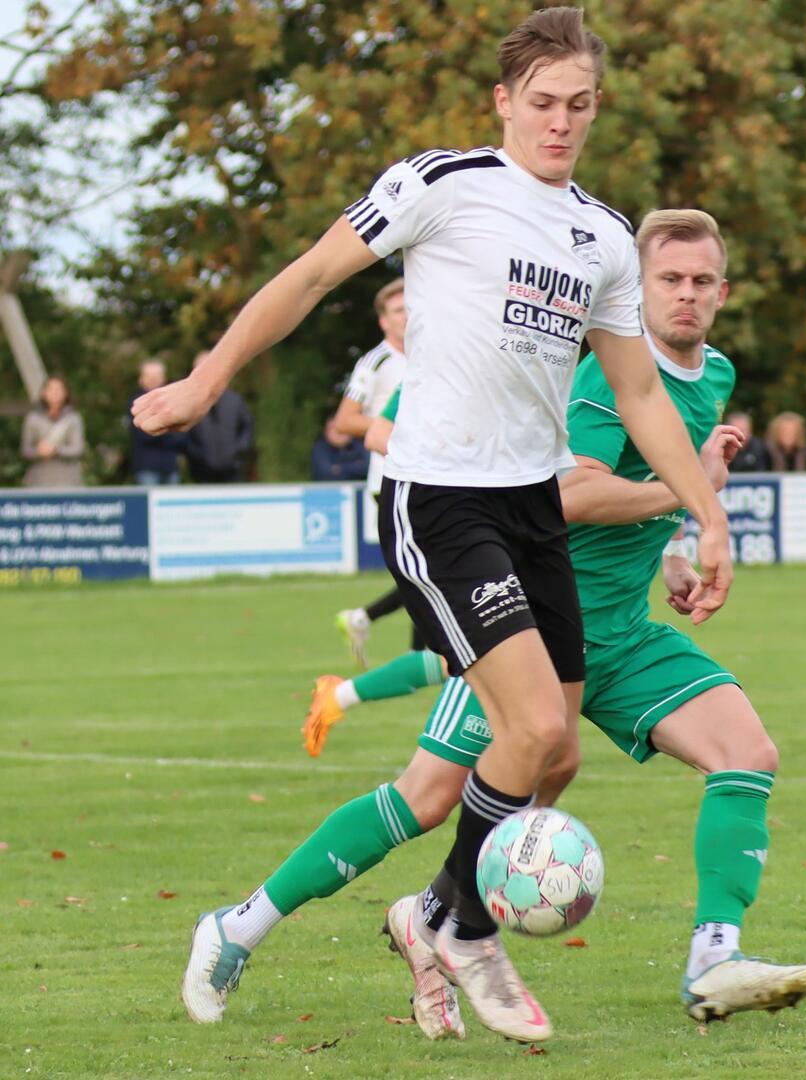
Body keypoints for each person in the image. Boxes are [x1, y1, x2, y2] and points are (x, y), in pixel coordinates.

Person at [153, 8, 733, 1043]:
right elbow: (309, 277)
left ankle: (387, 918)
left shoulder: (601, 237)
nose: (561, 123)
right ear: (505, 101)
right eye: (544, 103)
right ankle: (460, 926)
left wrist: (709, 517)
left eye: (581, 106)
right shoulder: (441, 184)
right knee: (538, 731)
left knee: (550, 761)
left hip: (530, 509)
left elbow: (641, 395)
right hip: (441, 500)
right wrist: (209, 374)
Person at [185, 209, 806, 1038]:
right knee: (427, 798)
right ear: (637, 283)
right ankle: (239, 926)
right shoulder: (608, 375)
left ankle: (713, 957)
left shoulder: (715, 374)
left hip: (623, 634)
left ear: (724, 291)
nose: (687, 295)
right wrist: (689, 496)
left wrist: (670, 553)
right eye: (669, 279)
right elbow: (572, 492)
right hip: (525, 628)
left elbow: (639, 494)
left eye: (703, 281)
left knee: (746, 755)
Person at [330, 279, 416, 667]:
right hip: (391, 478)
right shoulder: (377, 362)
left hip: (431, 474)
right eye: (398, 310)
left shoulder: (431, 352)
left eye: (410, 307)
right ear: (384, 322)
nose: (407, 316)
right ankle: (426, 659)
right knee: (429, 569)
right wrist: (399, 431)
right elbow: (345, 420)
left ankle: (421, 656)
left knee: (428, 571)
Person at [182, 352, 255, 483]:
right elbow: (184, 434)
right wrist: (197, 455)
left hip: (232, 471)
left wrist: (238, 453)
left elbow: (247, 427)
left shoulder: (234, 400)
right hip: (201, 472)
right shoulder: (189, 403)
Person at [127, 361, 190, 485]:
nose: (153, 380)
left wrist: (162, 429)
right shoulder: (136, 403)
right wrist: (169, 429)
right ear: (141, 379)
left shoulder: (172, 402)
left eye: (157, 376)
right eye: (150, 377)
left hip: (170, 466)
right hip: (147, 467)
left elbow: (181, 433)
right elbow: (144, 433)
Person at [21, 375, 85, 487]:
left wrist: (56, 450)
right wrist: (39, 451)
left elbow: (78, 449)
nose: (55, 393)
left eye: (59, 389)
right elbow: (25, 450)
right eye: (51, 389)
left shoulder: (73, 418)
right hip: (39, 481)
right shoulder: (32, 418)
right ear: (43, 393)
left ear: (66, 393)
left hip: (68, 481)